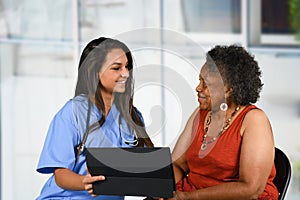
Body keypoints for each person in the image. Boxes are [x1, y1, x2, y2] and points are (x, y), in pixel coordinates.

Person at [36, 37, 154, 199]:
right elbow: (60, 174)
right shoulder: (73, 112)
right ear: (94, 70)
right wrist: (85, 182)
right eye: (116, 68)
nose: (126, 74)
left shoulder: (133, 116)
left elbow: (142, 169)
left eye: (127, 67)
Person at [169, 45, 278, 199]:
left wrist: (190, 197)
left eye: (206, 84)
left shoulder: (254, 120)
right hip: (191, 193)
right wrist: (164, 189)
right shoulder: (201, 114)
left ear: (229, 90)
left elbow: (251, 189)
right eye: (199, 81)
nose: (198, 88)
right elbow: (178, 164)